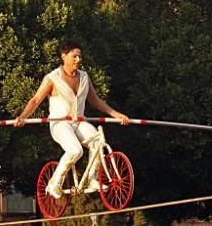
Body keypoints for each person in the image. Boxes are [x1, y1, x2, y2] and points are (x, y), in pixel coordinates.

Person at [14, 40, 130, 198]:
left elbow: (95, 100)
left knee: (98, 143)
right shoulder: (52, 78)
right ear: (64, 56)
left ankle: (92, 179)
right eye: (74, 56)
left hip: (79, 122)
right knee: (76, 150)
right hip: (60, 124)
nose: (78, 60)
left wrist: (116, 115)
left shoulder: (84, 77)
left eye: (79, 56)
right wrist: (23, 117)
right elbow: (35, 100)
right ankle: (55, 183)